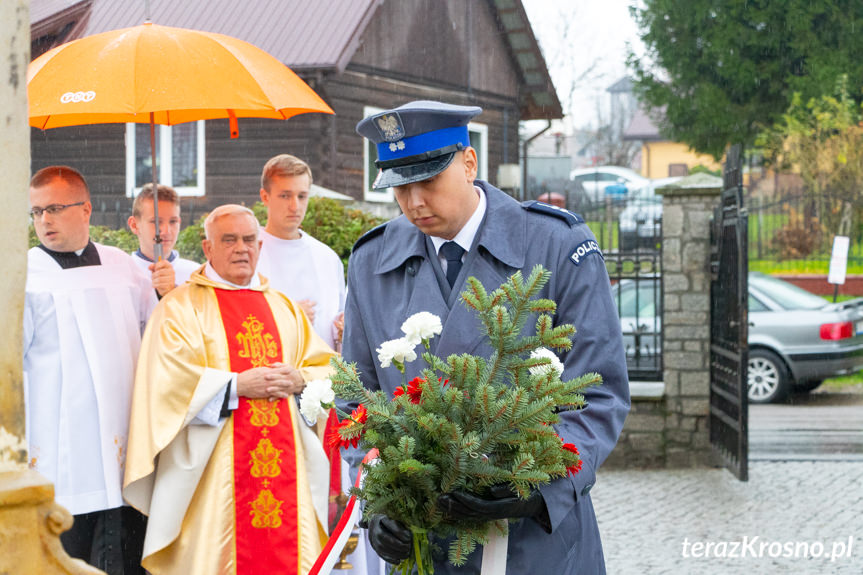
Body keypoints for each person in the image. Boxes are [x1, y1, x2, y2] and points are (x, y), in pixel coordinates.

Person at [345, 101, 631, 574]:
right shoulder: (371, 262)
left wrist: (536, 486)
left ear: (469, 162)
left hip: (534, 543)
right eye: (400, 185)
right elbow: (356, 399)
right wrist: (375, 499)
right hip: (426, 543)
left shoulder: (557, 245)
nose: (414, 202)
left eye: (428, 181)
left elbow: (598, 392)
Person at [123, 204, 336, 575]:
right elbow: (164, 384)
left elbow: (329, 369)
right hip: (213, 477)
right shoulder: (179, 308)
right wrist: (236, 385)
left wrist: (300, 380)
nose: (242, 248)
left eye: (250, 239)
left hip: (287, 471)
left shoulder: (284, 307)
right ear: (207, 249)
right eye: (230, 240)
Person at [24, 165, 155, 574]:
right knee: (70, 555)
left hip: (126, 434)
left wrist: (166, 294)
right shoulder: (24, 275)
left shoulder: (125, 268)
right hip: (62, 446)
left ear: (86, 209)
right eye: (36, 212)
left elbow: (155, 338)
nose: (44, 220)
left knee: (129, 549)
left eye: (55, 209)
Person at [256, 154, 346, 350]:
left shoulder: (327, 257)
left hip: (324, 374)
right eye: (285, 195)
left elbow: (338, 316)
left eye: (302, 196)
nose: (295, 206)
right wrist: (290, 318)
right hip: (272, 373)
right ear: (265, 197)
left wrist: (342, 327)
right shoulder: (249, 254)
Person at [128, 183, 201, 298]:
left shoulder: (196, 275)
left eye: (173, 222)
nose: (166, 231)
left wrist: (172, 292)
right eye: (156, 222)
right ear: (134, 225)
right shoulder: (122, 274)